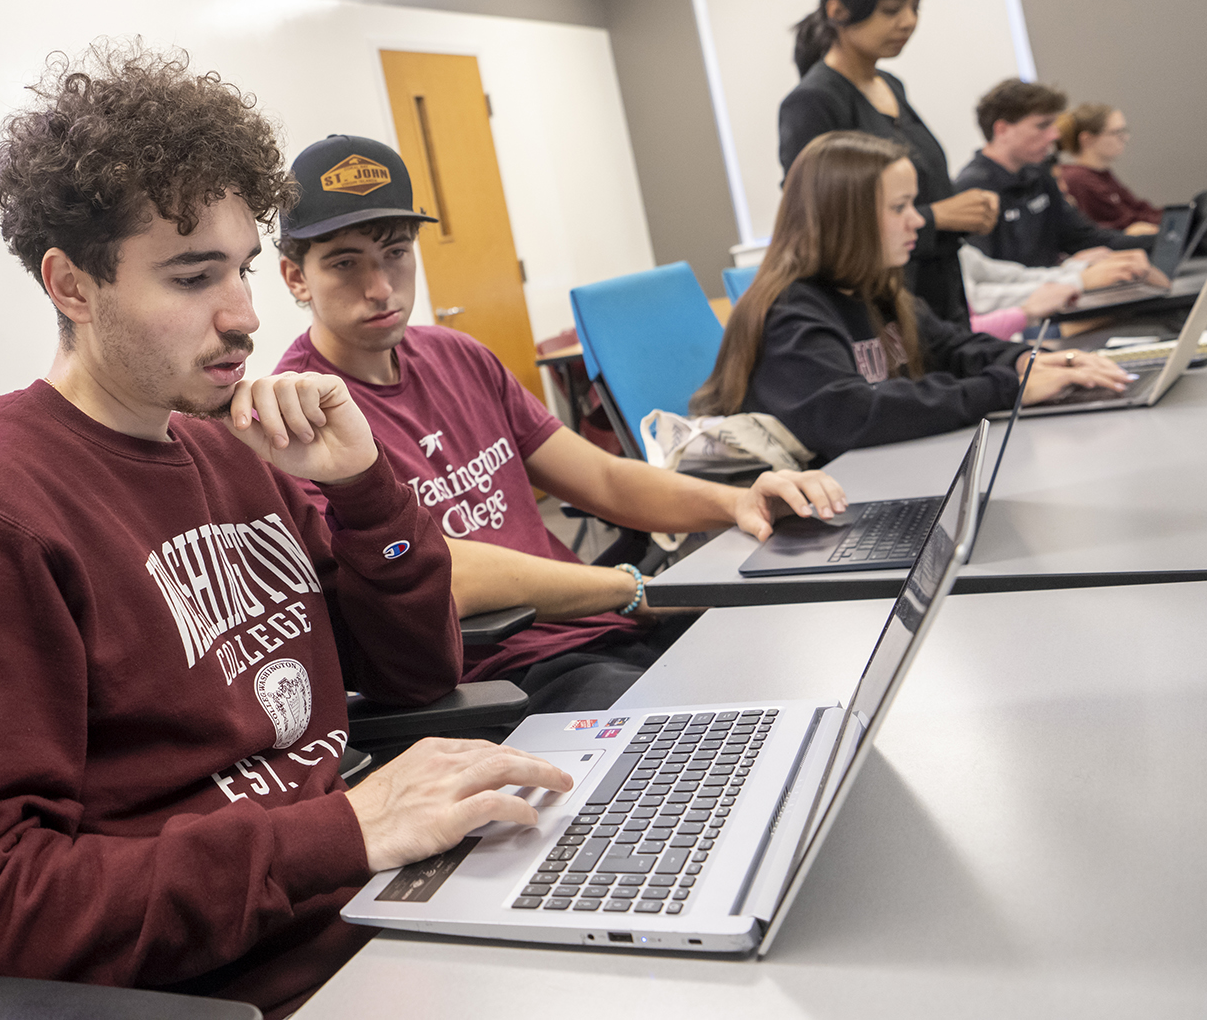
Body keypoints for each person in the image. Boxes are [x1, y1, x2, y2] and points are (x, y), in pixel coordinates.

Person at [0, 44, 570, 1018]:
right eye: (191, 278)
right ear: (70, 285)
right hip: (250, 984)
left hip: (381, 900)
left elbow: (414, 679)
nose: (241, 317)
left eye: (240, 268)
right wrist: (340, 832)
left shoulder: (231, 454)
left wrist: (361, 491)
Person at [272, 134, 846, 713]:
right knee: (719, 728)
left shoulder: (457, 355)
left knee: (802, 664)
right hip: (508, 673)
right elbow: (448, 574)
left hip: (603, 628)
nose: (380, 288)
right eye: (345, 264)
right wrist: (635, 589)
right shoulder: (303, 421)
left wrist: (738, 502)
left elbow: (603, 479)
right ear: (296, 277)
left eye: (395, 253)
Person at [693, 132, 1131, 462]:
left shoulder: (875, 290)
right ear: (847, 218)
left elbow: (952, 346)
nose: (917, 222)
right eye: (899, 207)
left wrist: (1024, 362)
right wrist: (1006, 388)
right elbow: (850, 416)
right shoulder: (791, 313)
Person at [778, 0, 999, 324]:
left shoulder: (891, 86)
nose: (909, 21)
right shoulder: (813, 103)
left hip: (939, 297)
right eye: (892, 8)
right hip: (882, 316)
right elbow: (822, 228)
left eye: (916, 5)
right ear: (838, 10)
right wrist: (938, 217)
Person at [955, 79, 1163, 272]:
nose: (1055, 135)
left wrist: (1166, 241)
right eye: (1042, 125)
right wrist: (1070, 271)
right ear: (1002, 129)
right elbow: (986, 277)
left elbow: (1084, 238)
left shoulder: (1038, 175)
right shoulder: (973, 187)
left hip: (1057, 295)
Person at [958, 242, 1159, 340]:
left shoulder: (955, 247)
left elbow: (1011, 275)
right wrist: (1078, 281)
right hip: (1013, 336)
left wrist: (1075, 271)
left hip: (1014, 333)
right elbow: (975, 303)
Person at [1056, 103, 1163, 234]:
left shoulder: (1102, 174)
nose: (1125, 138)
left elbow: (1138, 209)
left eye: (1124, 131)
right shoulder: (1078, 179)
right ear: (1087, 139)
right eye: (1116, 132)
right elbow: (1125, 223)